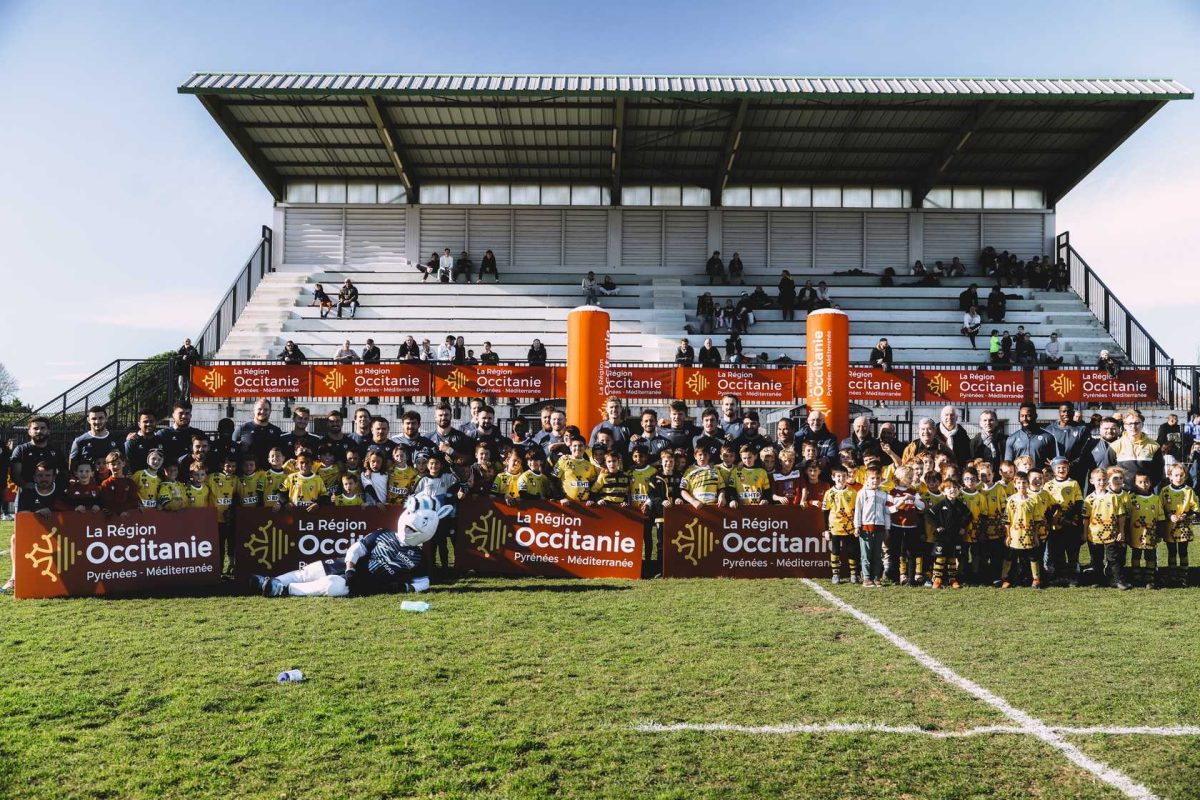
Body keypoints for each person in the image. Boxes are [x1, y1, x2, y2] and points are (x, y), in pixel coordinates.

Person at [252, 495, 446, 597]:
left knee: (331, 585)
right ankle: (269, 582)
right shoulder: (384, 533)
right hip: (345, 566)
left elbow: (424, 582)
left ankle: (284, 590)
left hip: (362, 583)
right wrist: (350, 567)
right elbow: (356, 549)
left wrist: (406, 588)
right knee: (307, 572)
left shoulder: (419, 557)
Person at [1083, 467, 1132, 589]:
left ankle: (1117, 580)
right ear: (1091, 481)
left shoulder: (1113, 497)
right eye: (1098, 480)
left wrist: (1121, 531)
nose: (1101, 482)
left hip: (1111, 534)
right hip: (1094, 535)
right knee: (1096, 559)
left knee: (1113, 559)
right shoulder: (1088, 499)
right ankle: (1098, 580)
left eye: (1104, 480)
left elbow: (1121, 516)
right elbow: (1086, 518)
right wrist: (1084, 533)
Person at [929, 480, 970, 588]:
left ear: (958, 490)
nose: (953, 490)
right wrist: (938, 526)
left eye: (955, 488)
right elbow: (930, 514)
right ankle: (937, 578)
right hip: (942, 537)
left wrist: (963, 527)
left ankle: (952, 579)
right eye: (949, 488)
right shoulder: (941, 504)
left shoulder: (960, 505)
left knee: (953, 557)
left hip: (955, 536)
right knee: (940, 557)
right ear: (943, 492)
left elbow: (969, 516)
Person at [853, 467, 889, 587]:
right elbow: (858, 510)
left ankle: (876, 577)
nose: (875, 480)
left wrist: (887, 528)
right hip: (865, 527)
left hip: (879, 527)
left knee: (877, 554)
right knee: (866, 554)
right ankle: (867, 578)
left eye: (877, 478)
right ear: (866, 479)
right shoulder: (862, 493)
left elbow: (886, 512)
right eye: (872, 478)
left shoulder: (883, 494)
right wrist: (857, 526)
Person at [822, 465, 858, 584]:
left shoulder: (853, 493)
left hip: (850, 527)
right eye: (838, 476)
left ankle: (854, 574)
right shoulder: (829, 493)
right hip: (835, 527)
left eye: (844, 476)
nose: (841, 478)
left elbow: (857, 511)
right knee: (835, 550)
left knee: (852, 550)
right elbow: (825, 511)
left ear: (847, 477)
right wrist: (826, 529)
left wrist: (857, 526)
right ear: (833, 477)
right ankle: (835, 574)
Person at [1113, 408, 1163, 486]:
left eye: (1137, 423)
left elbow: (1159, 471)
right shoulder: (1115, 445)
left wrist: (1148, 487)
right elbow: (1107, 470)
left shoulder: (1154, 446)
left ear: (1142, 425)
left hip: (1145, 493)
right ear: (1125, 426)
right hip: (1123, 493)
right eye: (1130, 424)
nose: (1133, 426)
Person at [1005, 402, 1059, 469]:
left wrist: (1049, 469)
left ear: (1035, 416)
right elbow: (1007, 465)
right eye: (1022, 416)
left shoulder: (1048, 437)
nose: (1025, 418)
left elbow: (1054, 462)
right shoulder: (1012, 439)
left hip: (1040, 478)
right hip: (1020, 478)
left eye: (1028, 415)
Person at [70, 406, 121, 473]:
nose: (97, 421)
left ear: (106, 418)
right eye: (94, 418)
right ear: (88, 420)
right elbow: (72, 468)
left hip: (111, 482)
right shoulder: (80, 441)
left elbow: (123, 463)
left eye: (100, 418)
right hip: (89, 482)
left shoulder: (116, 439)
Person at [235, 399, 284, 466]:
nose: (262, 411)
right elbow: (233, 450)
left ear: (270, 411)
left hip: (270, 473)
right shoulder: (243, 429)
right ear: (254, 410)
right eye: (259, 409)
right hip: (248, 474)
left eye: (266, 409)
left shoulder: (276, 431)